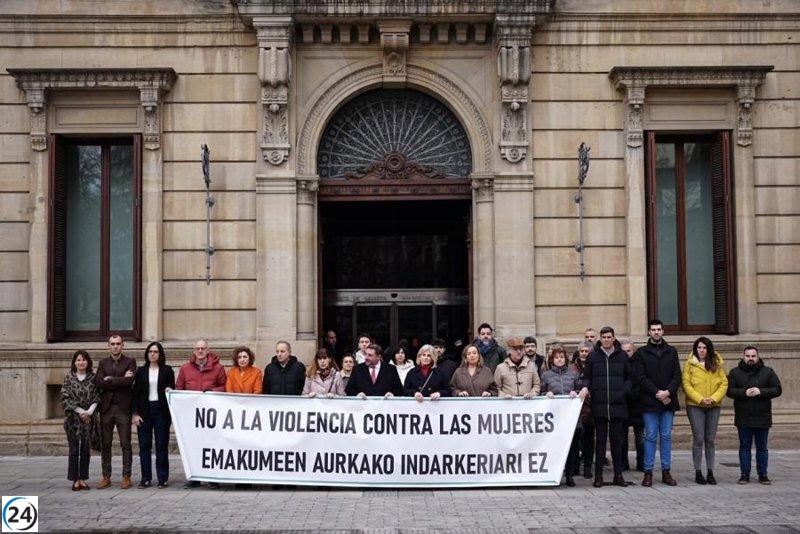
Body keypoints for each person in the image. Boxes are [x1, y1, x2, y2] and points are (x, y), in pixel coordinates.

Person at [634, 319, 681, 487]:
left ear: (663, 331)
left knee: (666, 436)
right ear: (649, 332)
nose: (656, 332)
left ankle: (666, 471)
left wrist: (668, 392)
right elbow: (641, 377)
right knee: (651, 436)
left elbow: (677, 375)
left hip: (668, 400)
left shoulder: (671, 351)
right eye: (653, 329)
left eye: (659, 329)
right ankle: (648, 472)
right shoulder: (641, 353)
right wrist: (657, 393)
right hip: (649, 401)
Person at [584, 326, 633, 488]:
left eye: (609, 337)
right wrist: (587, 389)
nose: (606, 339)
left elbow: (629, 378)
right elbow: (587, 378)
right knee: (600, 441)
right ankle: (598, 475)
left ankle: (618, 475)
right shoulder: (592, 356)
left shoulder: (623, 356)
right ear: (600, 338)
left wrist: (624, 391)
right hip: (599, 405)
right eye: (603, 337)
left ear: (613, 338)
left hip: (618, 404)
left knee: (617, 441)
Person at [175, 338, 227, 488]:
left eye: (203, 348)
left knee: (212, 446)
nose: (200, 351)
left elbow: (224, 386)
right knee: (192, 445)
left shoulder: (218, 368)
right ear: (194, 350)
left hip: (211, 416)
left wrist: (212, 391)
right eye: (197, 348)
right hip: (191, 415)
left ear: (208, 350)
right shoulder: (185, 369)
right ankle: (194, 476)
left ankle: (212, 476)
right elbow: (179, 389)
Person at [727, 346, 782, 485]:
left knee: (762, 448)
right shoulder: (734, 372)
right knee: (744, 447)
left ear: (757, 357)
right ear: (742, 356)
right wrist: (744, 393)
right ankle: (744, 474)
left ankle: (763, 474)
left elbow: (777, 389)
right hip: (743, 416)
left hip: (762, 416)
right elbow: (729, 391)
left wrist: (761, 391)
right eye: (748, 356)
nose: (750, 358)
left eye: (753, 356)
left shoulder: (768, 372)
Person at [540, 344, 587, 487]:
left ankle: (570, 475)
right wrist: (545, 394)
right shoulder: (546, 375)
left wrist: (576, 392)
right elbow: (540, 392)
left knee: (572, 447)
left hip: (570, 419)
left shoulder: (572, 374)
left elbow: (579, 390)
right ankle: (555, 474)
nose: (559, 360)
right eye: (556, 357)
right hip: (553, 419)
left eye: (561, 357)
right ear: (551, 359)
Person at [682, 336, 727, 485]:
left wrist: (713, 398)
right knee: (699, 438)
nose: (701, 350)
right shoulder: (689, 364)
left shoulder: (717, 363)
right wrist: (700, 399)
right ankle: (698, 471)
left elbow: (723, 383)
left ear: (709, 349)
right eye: (699, 348)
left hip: (714, 405)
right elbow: (686, 384)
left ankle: (710, 471)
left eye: (704, 348)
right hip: (695, 405)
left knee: (710, 439)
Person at [94, 334, 136, 489]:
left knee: (126, 444)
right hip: (106, 408)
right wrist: (119, 379)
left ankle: (126, 476)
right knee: (106, 444)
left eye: (118, 344)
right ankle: (106, 476)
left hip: (123, 408)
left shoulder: (130, 361)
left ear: (122, 345)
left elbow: (129, 381)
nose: (115, 346)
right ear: (108, 346)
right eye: (112, 344)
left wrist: (109, 379)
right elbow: (98, 382)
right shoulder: (103, 362)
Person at [132, 342, 175, 488]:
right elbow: (135, 394)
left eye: (155, 351)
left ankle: (162, 478)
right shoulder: (141, 371)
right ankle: (146, 478)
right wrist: (135, 414)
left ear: (160, 354)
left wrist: (170, 389)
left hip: (161, 411)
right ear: (147, 353)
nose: (152, 354)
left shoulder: (167, 370)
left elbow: (172, 390)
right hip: (144, 411)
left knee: (161, 445)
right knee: (144, 445)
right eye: (150, 351)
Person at [61, 350, 101, 491]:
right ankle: (75, 479)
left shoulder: (93, 378)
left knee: (85, 450)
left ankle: (83, 479)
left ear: (88, 362)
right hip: (73, 420)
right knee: (73, 450)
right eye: (78, 360)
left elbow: (98, 396)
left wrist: (89, 412)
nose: (81, 362)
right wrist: (80, 411)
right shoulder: (69, 378)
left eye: (84, 360)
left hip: (88, 420)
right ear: (74, 363)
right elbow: (65, 398)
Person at [571, 341, 594, 478]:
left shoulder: (594, 366)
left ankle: (587, 466)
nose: (584, 353)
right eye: (582, 351)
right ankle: (575, 466)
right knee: (576, 438)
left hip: (591, 407)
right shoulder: (572, 368)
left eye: (587, 351)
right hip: (576, 409)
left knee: (589, 439)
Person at [620, 339, 644, 472]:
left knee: (640, 438)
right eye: (623, 351)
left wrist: (632, 393)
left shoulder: (639, 364)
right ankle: (623, 463)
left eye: (628, 351)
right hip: (623, 405)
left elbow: (642, 381)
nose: (626, 353)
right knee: (622, 437)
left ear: (633, 351)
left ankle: (642, 463)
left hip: (638, 405)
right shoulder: (618, 364)